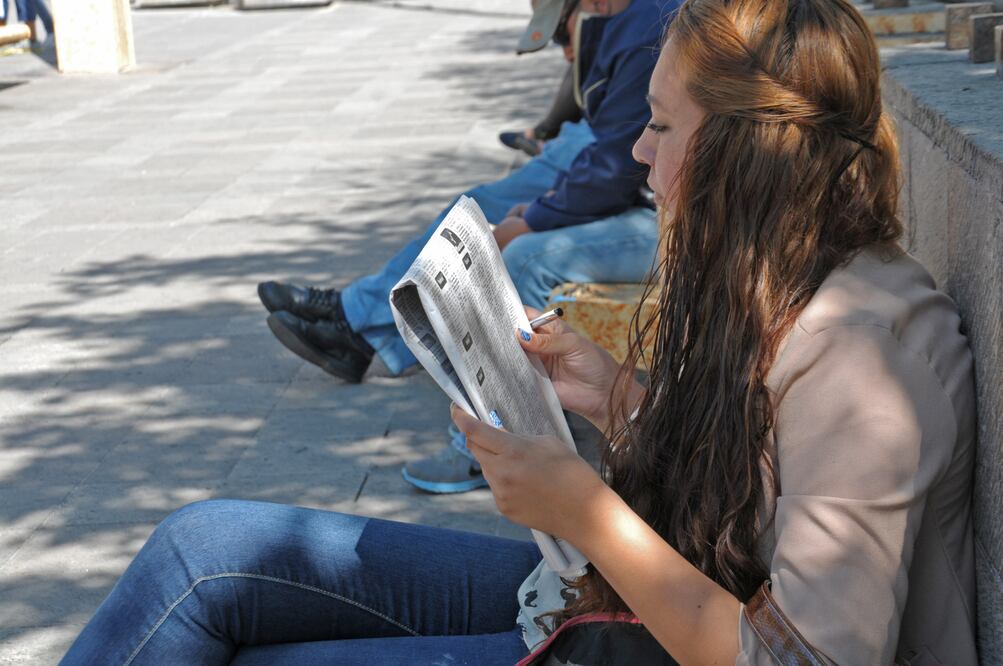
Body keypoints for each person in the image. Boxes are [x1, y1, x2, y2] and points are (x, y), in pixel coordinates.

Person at [62, 0, 978, 662]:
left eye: (662, 126)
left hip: (650, 636)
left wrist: (581, 508)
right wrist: (615, 397)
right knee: (202, 548)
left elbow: (803, 658)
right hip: (615, 609)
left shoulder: (865, 358)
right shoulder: (782, 277)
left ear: (751, 152)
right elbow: (761, 482)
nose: (638, 152)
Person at [261, 0, 670, 493]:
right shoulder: (638, 20)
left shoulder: (657, 23)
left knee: (520, 255)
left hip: (670, 213)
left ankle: (497, 438)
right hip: (648, 196)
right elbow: (620, 145)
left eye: (566, 33)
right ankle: (366, 327)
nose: (565, 52)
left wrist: (536, 217)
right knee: (477, 213)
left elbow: (618, 162)